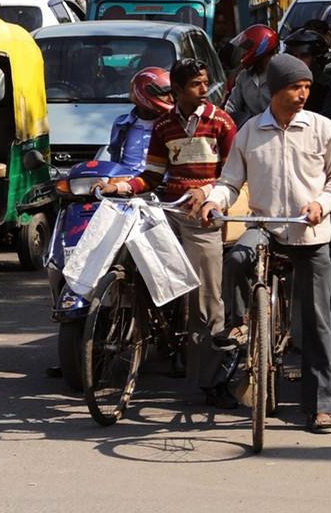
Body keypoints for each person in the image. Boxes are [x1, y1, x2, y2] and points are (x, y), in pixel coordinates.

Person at [199, 54, 331, 433]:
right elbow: (230, 180)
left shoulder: (323, 129)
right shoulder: (250, 131)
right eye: (295, 87)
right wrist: (213, 202)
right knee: (236, 259)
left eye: (306, 88)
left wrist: (322, 204)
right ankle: (241, 323)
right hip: (265, 226)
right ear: (275, 90)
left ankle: (321, 406)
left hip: (309, 232)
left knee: (317, 322)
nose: (302, 95)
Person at [98, 58, 238, 408]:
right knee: (133, 268)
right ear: (176, 90)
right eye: (195, 85)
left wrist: (206, 193)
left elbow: (233, 176)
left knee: (207, 298)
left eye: (205, 83)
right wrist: (123, 187)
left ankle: (213, 380)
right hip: (165, 211)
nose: (203, 90)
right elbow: (152, 176)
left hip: (203, 216)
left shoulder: (220, 122)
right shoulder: (163, 127)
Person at [107, 67, 174, 173]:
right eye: (164, 93)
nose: (171, 98)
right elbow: (114, 156)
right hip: (125, 183)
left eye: (173, 93)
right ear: (145, 92)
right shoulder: (121, 124)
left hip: (159, 184)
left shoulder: (172, 125)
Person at [224, 24, 279, 128]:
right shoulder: (243, 77)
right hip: (251, 131)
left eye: (247, 48)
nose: (244, 52)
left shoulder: (281, 73)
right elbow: (232, 106)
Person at [283, 28, 331, 124]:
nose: (298, 61)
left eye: (304, 56)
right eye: (294, 56)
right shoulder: (282, 85)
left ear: (316, 59)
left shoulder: (330, 86)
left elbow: (329, 121)